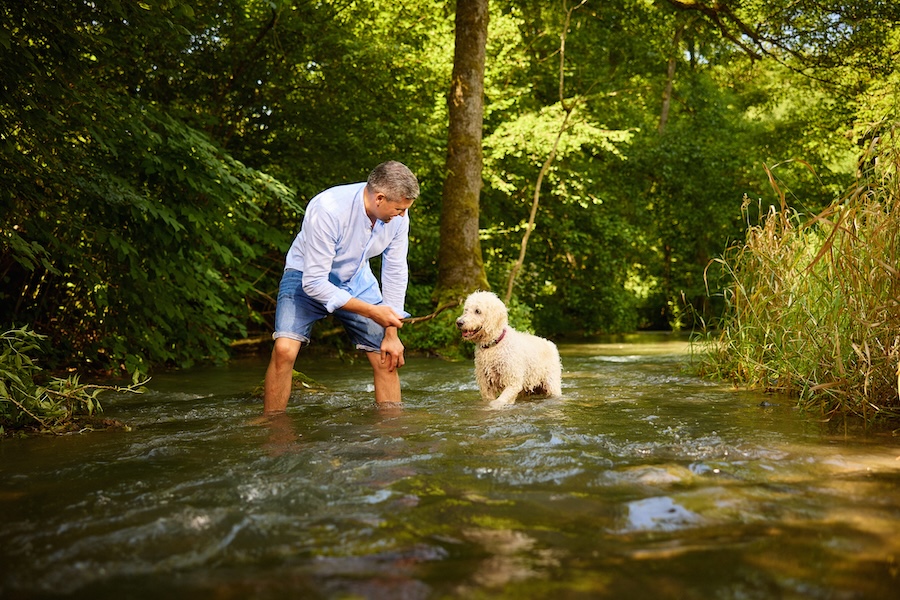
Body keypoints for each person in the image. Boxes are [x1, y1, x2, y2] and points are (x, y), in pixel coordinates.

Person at [263, 161, 419, 414]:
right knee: (283, 350)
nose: (402, 215)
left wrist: (391, 333)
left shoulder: (399, 216)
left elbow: (395, 270)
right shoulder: (328, 208)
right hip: (307, 275)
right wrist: (372, 311)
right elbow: (314, 284)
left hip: (357, 279)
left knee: (386, 356)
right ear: (380, 198)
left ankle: (392, 433)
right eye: (399, 209)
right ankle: (273, 426)